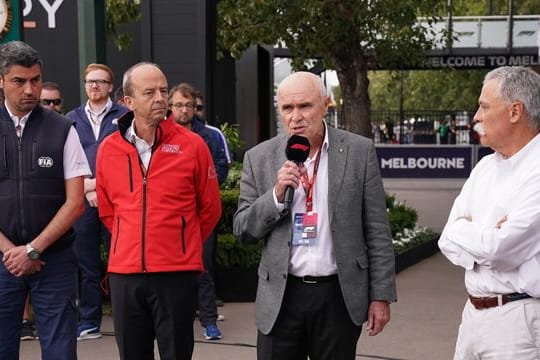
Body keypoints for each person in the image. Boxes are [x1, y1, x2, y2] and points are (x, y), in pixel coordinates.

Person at [233, 71, 397, 360]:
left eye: (305, 106)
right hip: (281, 297)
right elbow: (243, 229)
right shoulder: (259, 158)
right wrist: (275, 195)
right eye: (287, 108)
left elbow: (377, 230)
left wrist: (381, 295)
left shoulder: (359, 152)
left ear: (325, 105)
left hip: (338, 294)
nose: (296, 116)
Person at [95, 62, 221, 360]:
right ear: (128, 101)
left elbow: (210, 208)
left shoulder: (193, 146)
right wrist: (131, 240)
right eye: (149, 92)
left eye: (163, 90)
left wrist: (179, 240)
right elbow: (107, 209)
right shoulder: (108, 149)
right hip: (125, 274)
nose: (160, 98)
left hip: (176, 274)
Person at [439, 66, 540, 359]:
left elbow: (499, 249)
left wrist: (471, 233)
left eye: (484, 106)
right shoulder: (485, 167)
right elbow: (447, 239)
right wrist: (488, 234)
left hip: (517, 323)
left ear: (514, 111)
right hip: (472, 316)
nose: (476, 117)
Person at [0, 40, 90, 359]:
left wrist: (35, 249)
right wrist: (13, 253)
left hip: (55, 260)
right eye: (19, 81)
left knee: (60, 351)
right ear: (1, 81)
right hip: (3, 260)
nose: (29, 89)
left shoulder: (63, 129)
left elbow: (75, 201)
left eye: (35, 80)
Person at [65, 63, 127, 341]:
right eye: (90, 81)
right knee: (87, 265)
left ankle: (127, 319)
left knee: (121, 263)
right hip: (83, 202)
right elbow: (67, 162)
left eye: (101, 82)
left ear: (111, 86)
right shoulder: (71, 119)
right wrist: (87, 188)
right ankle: (89, 320)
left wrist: (99, 189)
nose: (95, 86)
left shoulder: (125, 116)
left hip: (116, 201)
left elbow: (131, 158)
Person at [169, 83, 227, 340]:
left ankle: (209, 321)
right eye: (179, 105)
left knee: (203, 268)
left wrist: (201, 187)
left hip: (200, 213)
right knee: (171, 273)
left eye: (189, 105)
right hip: (170, 216)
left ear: (196, 107)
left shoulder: (210, 135)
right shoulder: (159, 134)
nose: (184, 110)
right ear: (171, 107)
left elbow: (221, 168)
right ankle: (174, 321)